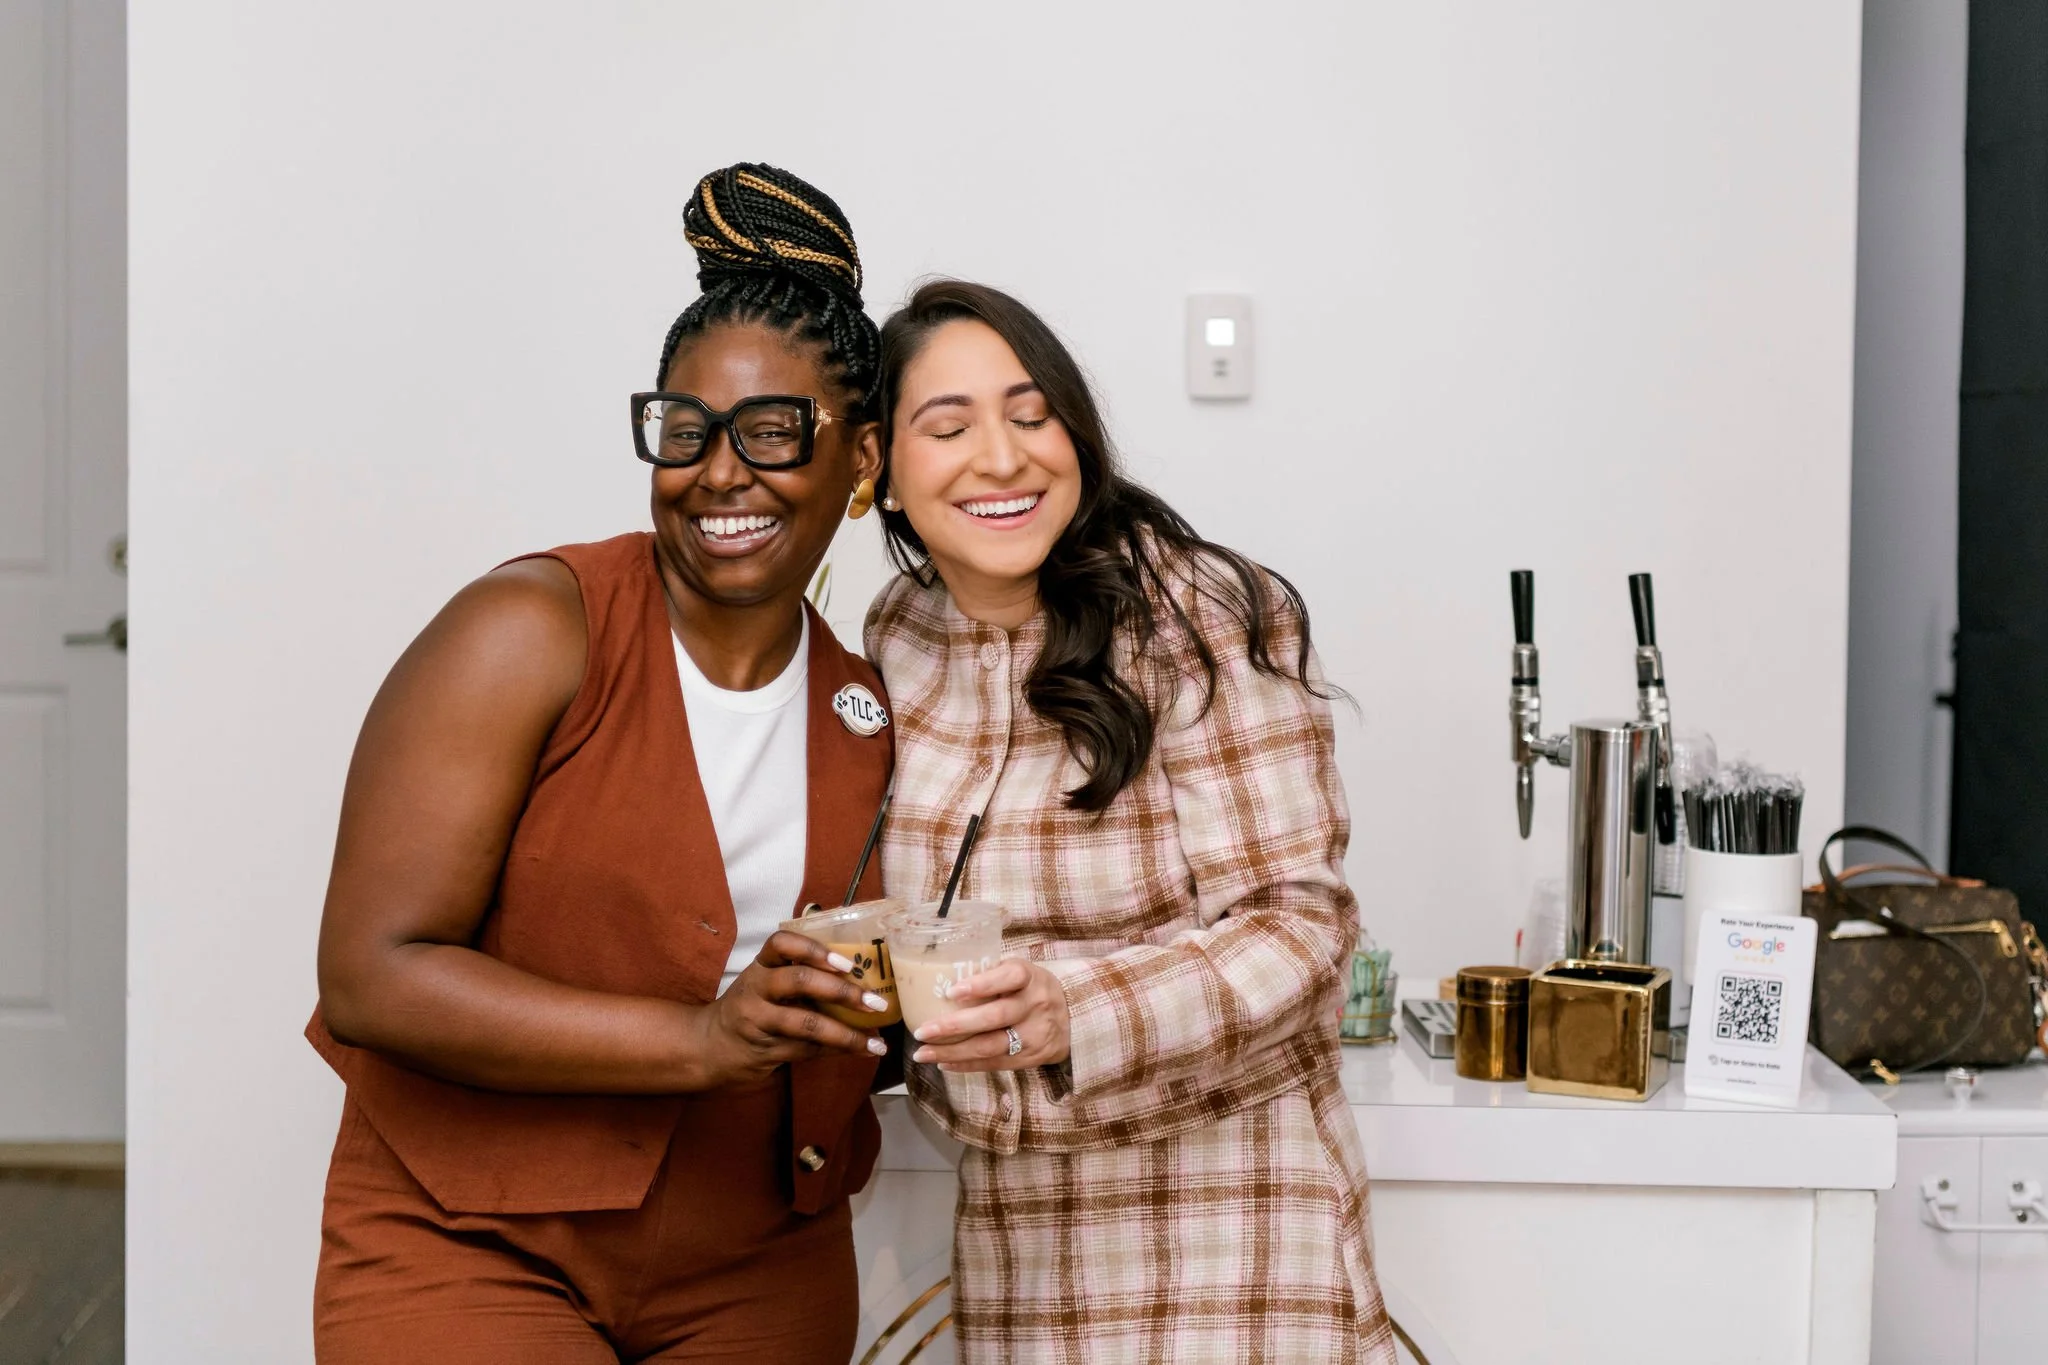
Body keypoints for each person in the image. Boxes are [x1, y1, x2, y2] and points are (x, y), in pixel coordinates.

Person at [306, 163, 897, 1364]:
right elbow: (373, 972)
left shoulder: (870, 705)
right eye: (684, 430)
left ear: (863, 465)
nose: (718, 472)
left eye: (773, 432)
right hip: (470, 1240)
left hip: (757, 1260)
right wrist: (703, 1042)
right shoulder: (530, 629)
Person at [864, 280, 1397, 1363]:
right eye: (948, 425)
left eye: (1030, 414)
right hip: (1019, 1236)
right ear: (880, 469)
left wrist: (1072, 1009)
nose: (1001, 457)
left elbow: (1299, 928)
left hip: (1233, 1220)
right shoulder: (896, 638)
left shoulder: (1200, 618)